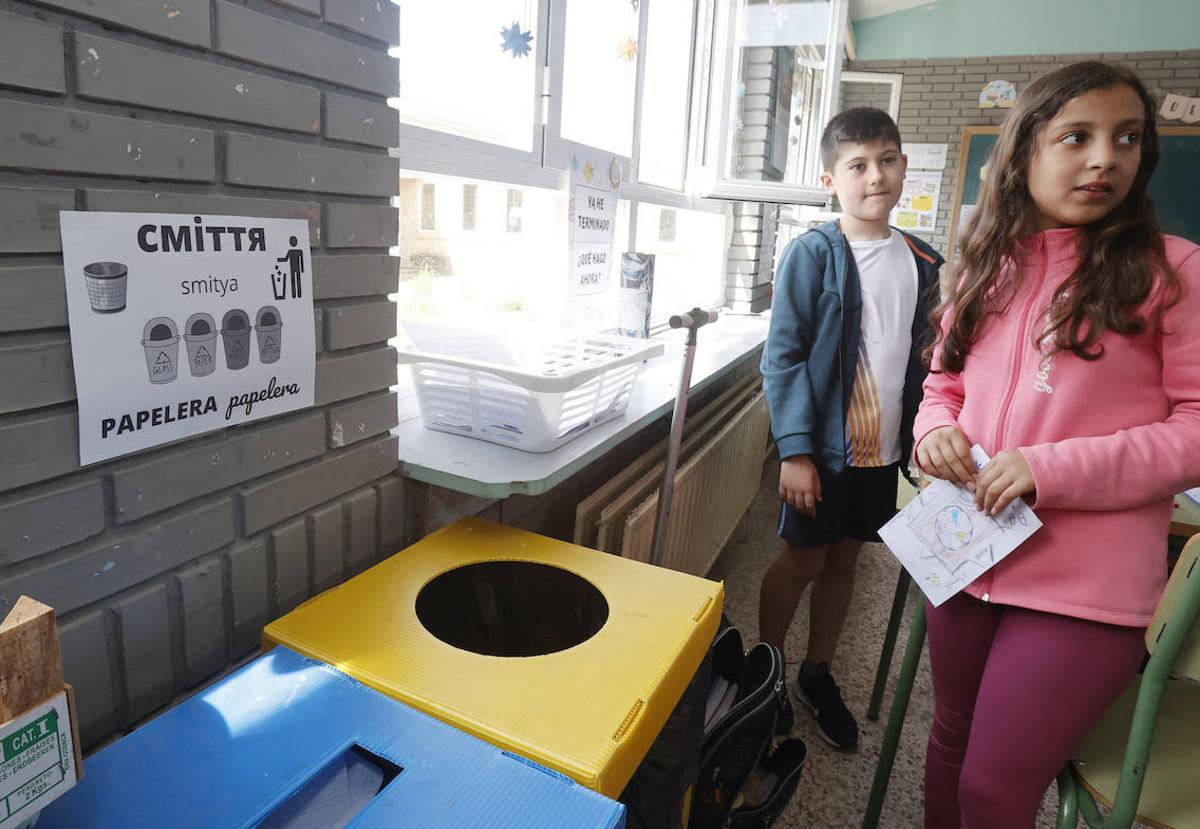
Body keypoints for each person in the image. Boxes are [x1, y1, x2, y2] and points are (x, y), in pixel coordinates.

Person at [914, 61, 1200, 828]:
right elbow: (943, 386)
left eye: (1128, 139)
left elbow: (1197, 428)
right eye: (1077, 136)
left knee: (993, 789)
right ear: (1023, 154)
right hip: (967, 554)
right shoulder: (984, 269)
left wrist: (1048, 470)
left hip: (1083, 589)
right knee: (947, 740)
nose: (1107, 157)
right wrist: (934, 431)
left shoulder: (1170, 270)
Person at [759, 107, 944, 751]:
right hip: (822, 454)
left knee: (845, 562)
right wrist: (795, 451)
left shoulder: (921, 260)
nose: (876, 176)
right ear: (830, 179)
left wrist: (922, 443)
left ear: (903, 168)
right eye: (858, 165)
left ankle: (818, 671)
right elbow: (782, 356)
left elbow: (924, 361)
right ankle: (768, 669)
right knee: (801, 561)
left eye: (887, 161)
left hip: (882, 454)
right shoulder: (813, 254)